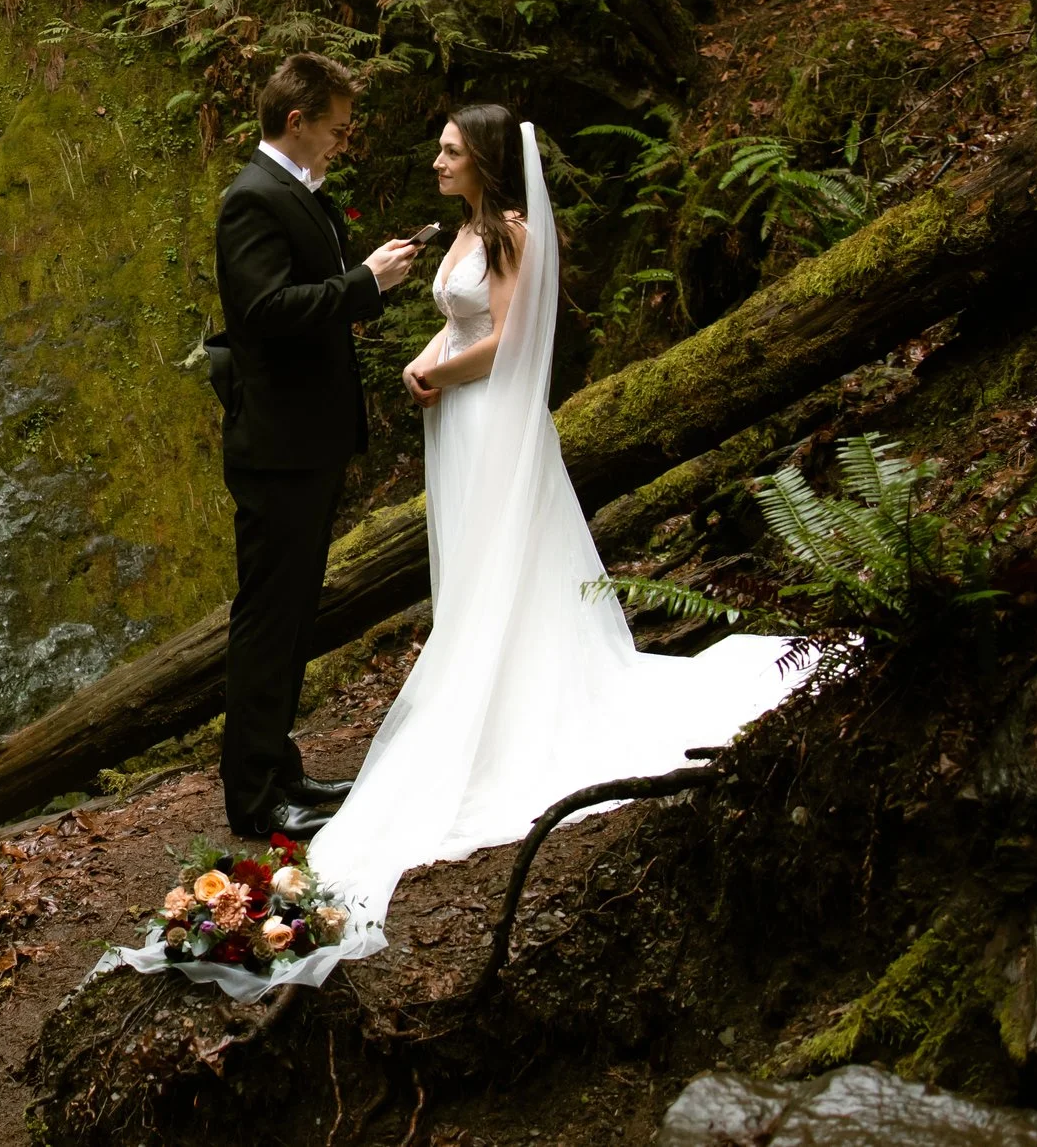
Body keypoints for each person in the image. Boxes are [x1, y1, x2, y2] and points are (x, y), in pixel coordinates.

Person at [304, 105, 807, 937]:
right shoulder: (466, 231)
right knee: (474, 562)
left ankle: (511, 700)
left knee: (510, 555)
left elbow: (505, 342)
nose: (435, 160)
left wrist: (441, 374)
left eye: (451, 151)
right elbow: (460, 319)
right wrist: (427, 356)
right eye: (438, 147)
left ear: (487, 161)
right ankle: (487, 678)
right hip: (459, 417)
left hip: (493, 412)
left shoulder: (510, 235)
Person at [212, 53, 420, 841]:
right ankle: (256, 797)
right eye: (333, 129)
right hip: (277, 447)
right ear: (295, 122)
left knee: (293, 617)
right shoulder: (251, 201)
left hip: (308, 441)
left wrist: (363, 272)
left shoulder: (296, 194)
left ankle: (279, 767)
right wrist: (365, 282)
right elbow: (265, 310)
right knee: (268, 621)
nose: (341, 143)